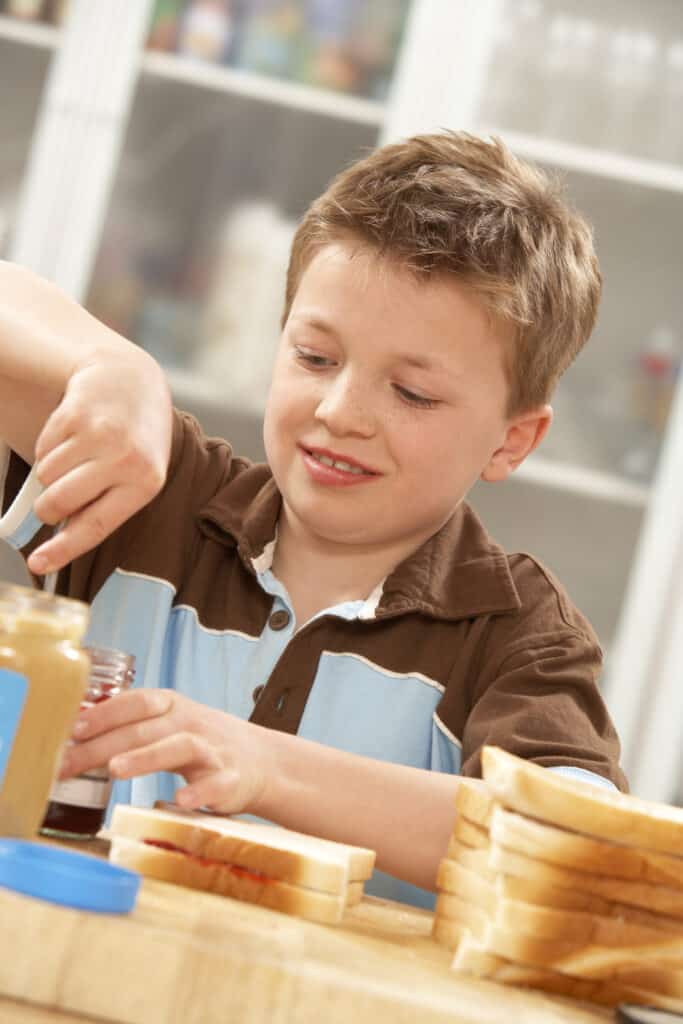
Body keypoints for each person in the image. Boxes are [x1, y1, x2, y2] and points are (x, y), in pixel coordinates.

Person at [0, 131, 626, 908]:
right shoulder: (156, 496)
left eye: (413, 394)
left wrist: (264, 766)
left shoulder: (516, 634)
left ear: (512, 439)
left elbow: (579, 860)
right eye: (315, 358)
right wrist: (111, 367)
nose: (339, 413)